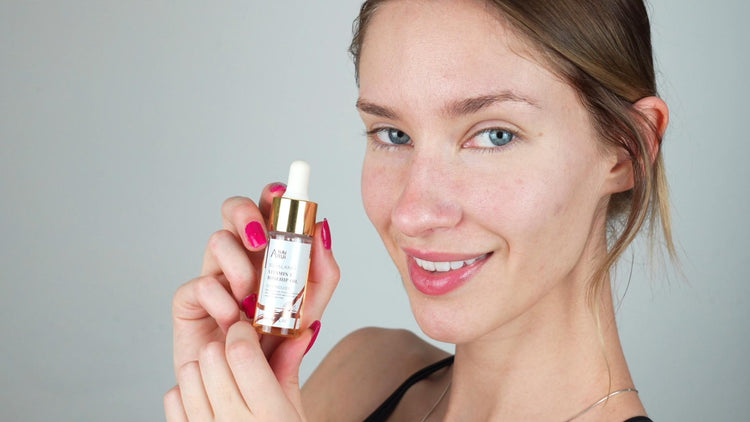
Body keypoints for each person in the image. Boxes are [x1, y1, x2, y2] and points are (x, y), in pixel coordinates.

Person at [164, 0, 673, 420]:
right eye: (393, 134)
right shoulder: (361, 374)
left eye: (495, 135)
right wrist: (236, 373)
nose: (412, 213)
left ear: (626, 149)